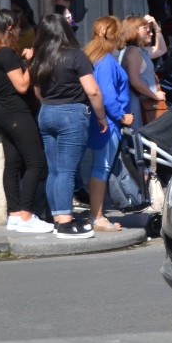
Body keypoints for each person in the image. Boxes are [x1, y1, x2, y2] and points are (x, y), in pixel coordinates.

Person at [30, 13, 107, 239]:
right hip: (72, 113)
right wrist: (101, 117)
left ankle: (57, 218)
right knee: (66, 171)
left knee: (54, 170)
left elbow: (37, 92)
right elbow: (93, 90)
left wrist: (50, 105)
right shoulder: (75, 56)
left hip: (46, 112)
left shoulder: (38, 58)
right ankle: (65, 223)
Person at [0, 9, 52, 234]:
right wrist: (30, 63)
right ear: (10, 28)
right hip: (17, 113)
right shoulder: (6, 53)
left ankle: (14, 214)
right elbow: (21, 85)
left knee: (13, 164)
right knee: (36, 162)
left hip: (4, 114)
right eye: (18, 27)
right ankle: (26, 214)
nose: (21, 31)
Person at [81, 17, 133, 232]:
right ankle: (97, 216)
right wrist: (122, 117)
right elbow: (108, 96)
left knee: (95, 167)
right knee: (101, 168)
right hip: (107, 122)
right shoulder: (106, 60)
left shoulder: (92, 56)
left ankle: (95, 214)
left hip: (95, 119)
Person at [121, 15, 167, 124]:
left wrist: (157, 28)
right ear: (134, 30)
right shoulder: (133, 52)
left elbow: (161, 49)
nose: (149, 32)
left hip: (145, 105)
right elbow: (135, 80)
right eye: (145, 28)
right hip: (139, 106)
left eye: (149, 29)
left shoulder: (140, 51)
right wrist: (155, 95)